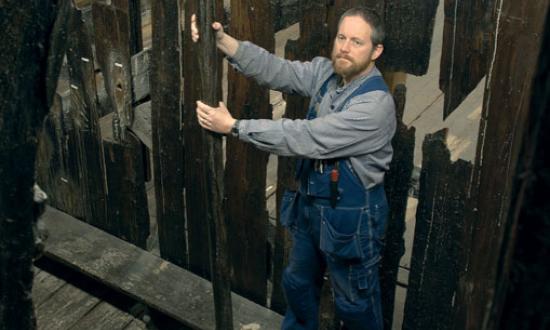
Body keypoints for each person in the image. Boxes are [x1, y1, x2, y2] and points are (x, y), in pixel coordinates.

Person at [192, 7, 395, 330]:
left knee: (354, 304)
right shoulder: (326, 73)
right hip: (312, 207)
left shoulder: (375, 107)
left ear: (376, 51)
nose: (344, 47)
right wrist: (224, 42)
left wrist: (234, 126)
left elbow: (306, 136)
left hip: (351, 219)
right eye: (342, 37)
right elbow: (278, 70)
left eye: (357, 42)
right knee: (298, 285)